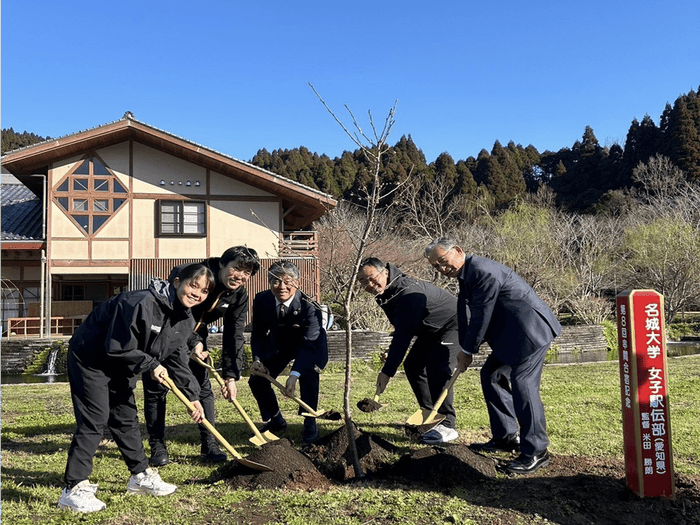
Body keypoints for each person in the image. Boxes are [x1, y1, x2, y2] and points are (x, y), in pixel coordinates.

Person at [58, 264, 214, 513]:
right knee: (95, 419)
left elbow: (177, 359)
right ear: (176, 282)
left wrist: (192, 396)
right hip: (91, 357)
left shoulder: (186, 319)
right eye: (192, 285)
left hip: (124, 363)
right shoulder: (139, 302)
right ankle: (73, 488)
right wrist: (151, 364)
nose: (197, 293)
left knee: (126, 418)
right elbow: (116, 346)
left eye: (204, 291)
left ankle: (139, 476)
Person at [425, 238, 561, 475]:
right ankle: (506, 437)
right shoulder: (467, 275)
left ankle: (537, 451)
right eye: (436, 266)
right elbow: (467, 315)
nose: (442, 269)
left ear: (457, 251)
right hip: (509, 335)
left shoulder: (482, 272)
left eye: (443, 261)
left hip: (529, 331)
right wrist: (464, 348)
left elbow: (482, 314)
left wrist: (468, 351)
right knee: (491, 375)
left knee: (524, 386)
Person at [142, 246, 260, 465]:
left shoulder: (238, 295)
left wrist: (231, 375)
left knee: (203, 386)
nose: (241, 276)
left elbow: (234, 333)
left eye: (247, 273)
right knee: (158, 386)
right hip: (165, 331)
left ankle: (210, 445)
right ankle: (158, 446)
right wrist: (192, 341)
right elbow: (175, 308)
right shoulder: (196, 274)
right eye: (237, 268)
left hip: (197, 336)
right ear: (223, 264)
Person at [357, 257, 462, 444]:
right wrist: (393, 352)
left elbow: (404, 334)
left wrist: (387, 371)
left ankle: (448, 425)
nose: (369, 285)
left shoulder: (406, 292)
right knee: (413, 365)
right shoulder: (387, 292)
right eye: (363, 282)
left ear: (386, 272)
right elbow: (402, 327)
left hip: (455, 322)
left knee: (438, 367)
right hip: (431, 329)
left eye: (372, 278)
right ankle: (430, 414)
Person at [248, 260, 328, 444]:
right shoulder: (262, 300)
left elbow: (309, 344)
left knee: (308, 375)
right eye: (275, 281)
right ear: (269, 283)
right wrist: (258, 359)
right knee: (257, 380)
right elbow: (259, 333)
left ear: (297, 283)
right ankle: (276, 420)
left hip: (310, 344)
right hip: (279, 343)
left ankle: (310, 422)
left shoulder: (310, 306)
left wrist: (294, 374)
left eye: (287, 281)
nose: (281, 286)